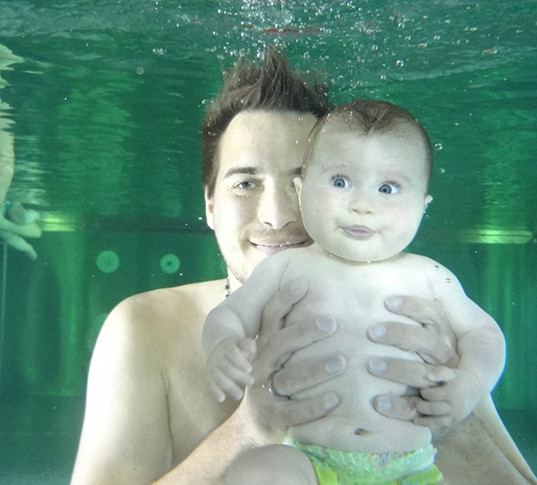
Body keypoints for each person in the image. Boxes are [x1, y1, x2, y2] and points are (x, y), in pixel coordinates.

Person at [71, 49, 537, 485]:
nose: (277, 215)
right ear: (209, 203)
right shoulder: (144, 328)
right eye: (245, 183)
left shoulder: (421, 322)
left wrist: (450, 420)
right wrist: (247, 433)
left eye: (300, 182)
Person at [202, 100, 506, 484]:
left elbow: (484, 334)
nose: (362, 205)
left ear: (422, 206)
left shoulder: (431, 277)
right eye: (341, 182)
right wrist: (222, 345)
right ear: (302, 189)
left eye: (388, 188)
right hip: (311, 461)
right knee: (257, 470)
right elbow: (229, 313)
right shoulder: (284, 268)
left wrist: (473, 383)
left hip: (409, 467)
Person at [0, 44, 41, 259]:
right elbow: (34, 232)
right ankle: (5, 68)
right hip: (4, 204)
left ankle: (5, 68)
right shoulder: (4, 224)